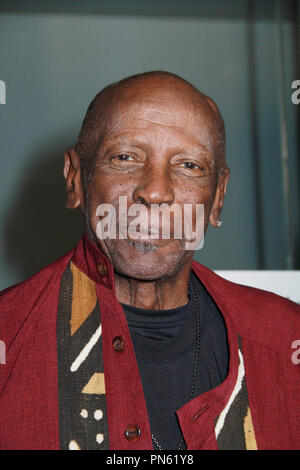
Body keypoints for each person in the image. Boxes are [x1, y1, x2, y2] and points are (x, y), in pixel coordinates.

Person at [0, 71, 299, 451]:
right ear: (75, 178)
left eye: (189, 165)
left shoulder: (285, 341)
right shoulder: (10, 338)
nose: (155, 191)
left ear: (218, 196)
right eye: (125, 158)